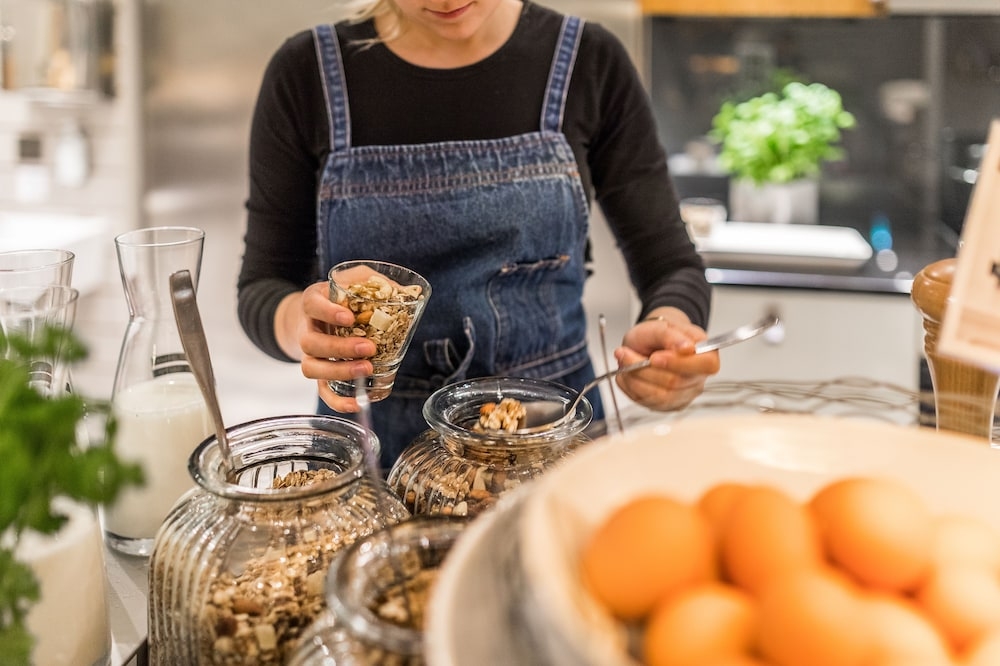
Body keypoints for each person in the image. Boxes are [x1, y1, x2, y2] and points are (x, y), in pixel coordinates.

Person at [237, 0, 721, 469]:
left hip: (548, 449)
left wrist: (671, 333)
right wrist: (299, 323)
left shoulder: (588, 61)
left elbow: (671, 265)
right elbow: (263, 286)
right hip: (369, 457)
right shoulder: (307, 73)